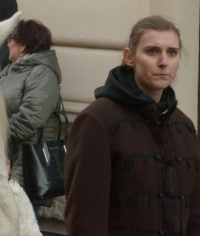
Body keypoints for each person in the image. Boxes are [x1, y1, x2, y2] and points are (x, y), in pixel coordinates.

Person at [65, 15, 200, 235]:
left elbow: (194, 215)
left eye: (172, 52)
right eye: (152, 51)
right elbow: (85, 218)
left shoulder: (183, 125)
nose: (164, 61)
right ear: (130, 57)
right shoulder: (97, 120)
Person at [0, 19, 61, 211]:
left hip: (24, 167)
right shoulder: (10, 70)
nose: (7, 43)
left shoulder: (42, 73)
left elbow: (30, 118)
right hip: (3, 162)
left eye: (11, 39)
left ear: (23, 45)